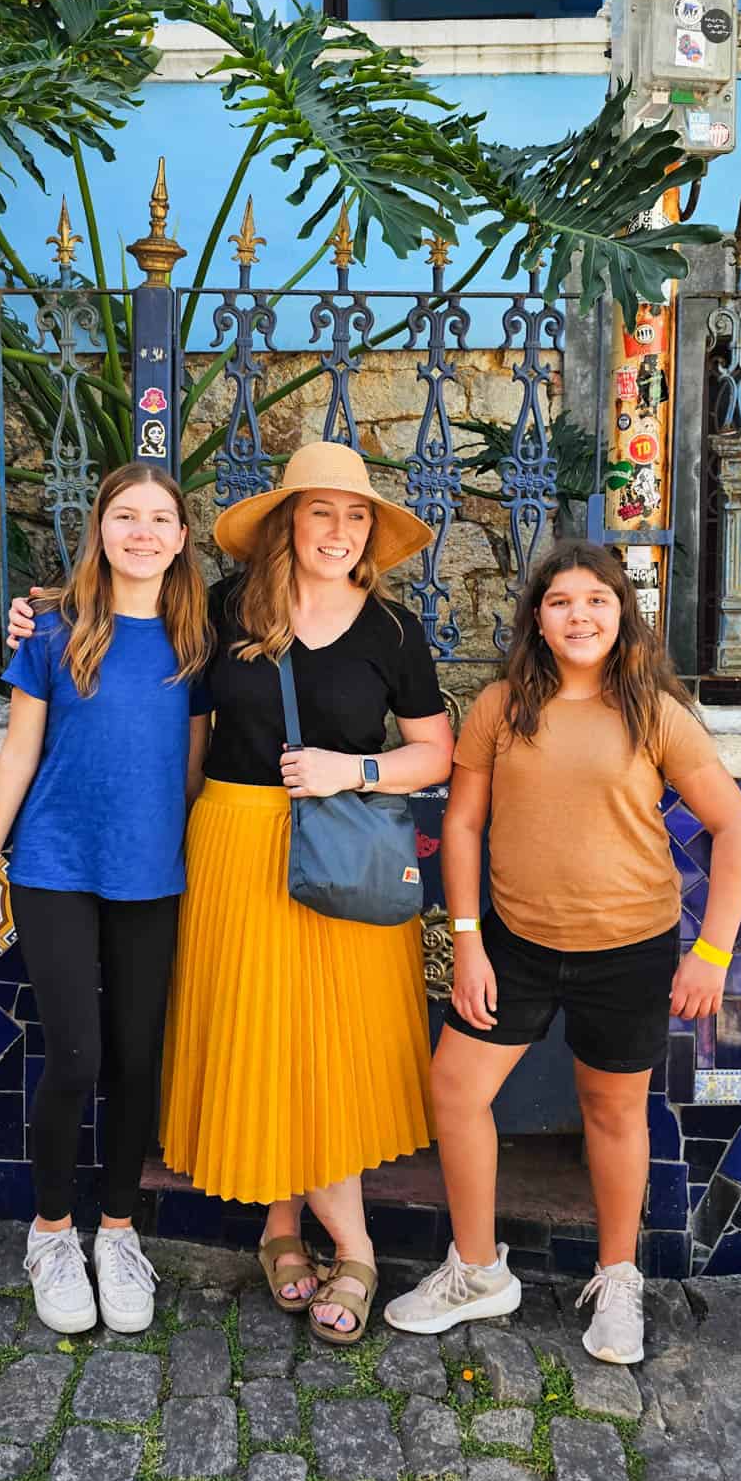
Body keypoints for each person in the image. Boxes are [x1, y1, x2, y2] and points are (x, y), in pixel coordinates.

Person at [384, 541, 741, 1363]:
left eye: (597, 599)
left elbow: (736, 828)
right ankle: (477, 1270)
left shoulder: (655, 713)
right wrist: (469, 941)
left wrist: (714, 953)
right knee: (453, 1089)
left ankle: (617, 1278)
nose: (579, 615)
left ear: (622, 615)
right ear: (537, 621)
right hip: (514, 943)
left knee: (612, 1111)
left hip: (630, 949)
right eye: (561, 602)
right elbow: (464, 825)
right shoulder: (500, 706)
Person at [166, 441, 453, 1344]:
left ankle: (355, 1245)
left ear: (371, 531)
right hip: (234, 844)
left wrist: (351, 767)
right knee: (262, 1032)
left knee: (333, 1041)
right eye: (320, 511)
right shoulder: (223, 610)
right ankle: (280, 1230)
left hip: (342, 851)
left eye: (355, 514)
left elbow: (434, 752)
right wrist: (40, 613)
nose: (338, 530)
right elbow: (183, 729)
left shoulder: (393, 632)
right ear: (288, 521)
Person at [0, 462, 211, 1336]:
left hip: (152, 877)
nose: (142, 533)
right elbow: (19, 755)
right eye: (125, 516)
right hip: (54, 869)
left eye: (160, 520)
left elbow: (190, 768)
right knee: (74, 1058)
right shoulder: (53, 632)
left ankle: (117, 1233)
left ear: (182, 540)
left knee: (138, 1059)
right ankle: (52, 1232)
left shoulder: (197, 645)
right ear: (100, 530)